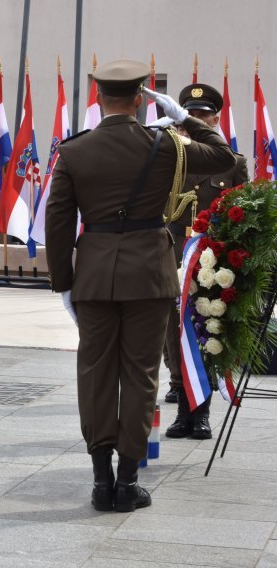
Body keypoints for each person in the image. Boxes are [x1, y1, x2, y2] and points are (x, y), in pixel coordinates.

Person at [45, 59, 236, 513]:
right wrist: (186, 118)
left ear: (97, 98)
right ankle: (127, 483)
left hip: (92, 277)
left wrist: (63, 282)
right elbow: (225, 158)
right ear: (140, 100)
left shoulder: (74, 152)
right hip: (149, 276)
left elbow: (57, 221)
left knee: (94, 375)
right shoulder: (167, 145)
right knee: (140, 375)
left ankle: (99, 481)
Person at [163, 83, 249, 439]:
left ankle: (200, 413)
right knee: (174, 334)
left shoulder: (234, 163)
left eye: (203, 117)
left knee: (207, 332)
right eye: (190, 117)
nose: (195, 122)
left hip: (211, 264)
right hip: (169, 259)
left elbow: (242, 216)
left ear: (215, 120)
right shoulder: (166, 158)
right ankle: (182, 405)